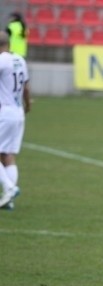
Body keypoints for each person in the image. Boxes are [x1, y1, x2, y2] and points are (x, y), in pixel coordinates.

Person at [0, 31, 29, 209]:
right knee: (8, 155)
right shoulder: (19, 59)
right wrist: (28, 104)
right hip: (18, 111)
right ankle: (8, 200)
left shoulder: (1, 60)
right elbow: (26, 85)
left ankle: (9, 188)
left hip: (4, 112)